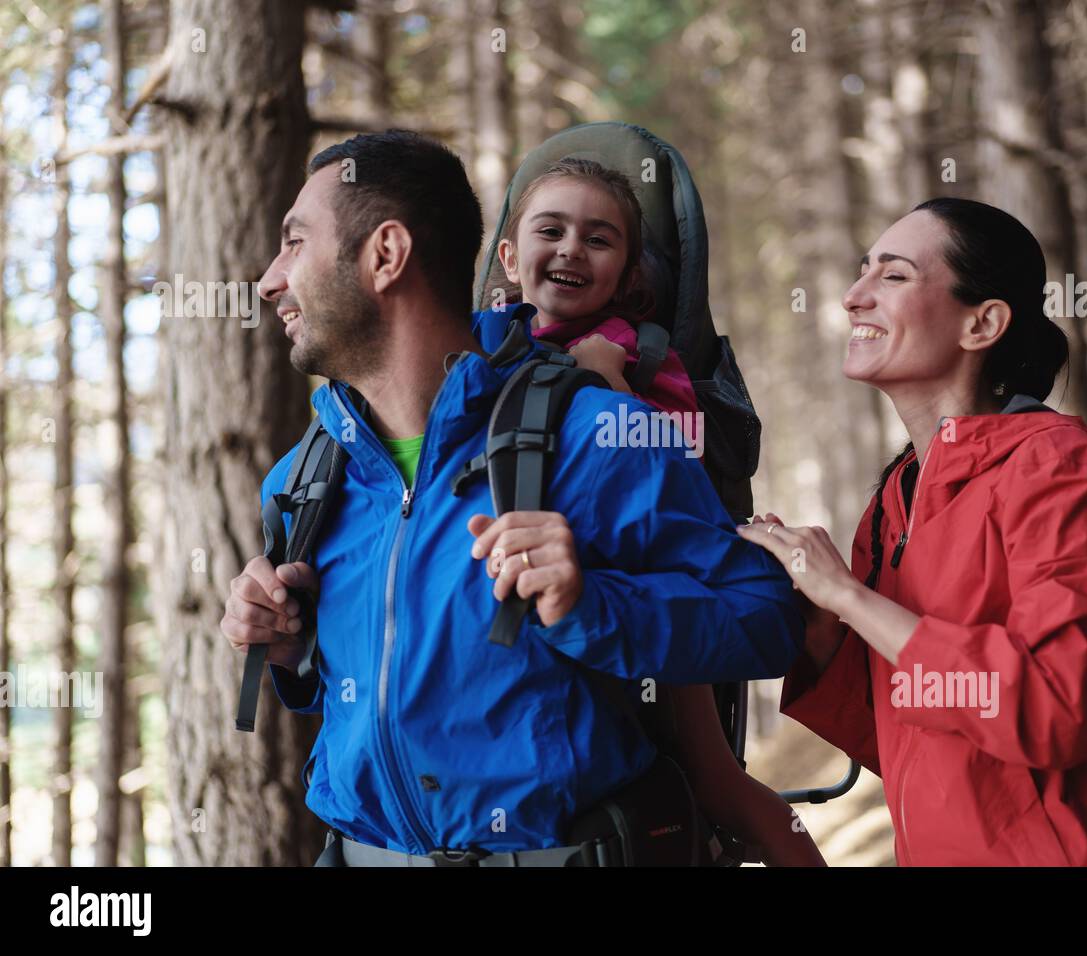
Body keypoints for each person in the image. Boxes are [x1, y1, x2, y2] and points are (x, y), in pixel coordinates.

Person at [219, 130, 803, 864]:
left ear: (385, 255)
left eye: (294, 243)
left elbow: (766, 619)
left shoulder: (598, 433)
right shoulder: (306, 479)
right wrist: (286, 643)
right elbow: (353, 680)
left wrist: (595, 605)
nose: (270, 280)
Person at [738, 197, 1087, 866]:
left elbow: (1055, 710)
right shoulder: (894, 501)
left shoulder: (1058, 470)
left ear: (982, 323)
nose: (853, 296)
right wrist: (822, 636)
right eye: (861, 270)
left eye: (893, 276)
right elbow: (913, 734)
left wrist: (850, 597)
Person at [476, 157, 825, 865]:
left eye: (599, 239)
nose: (572, 248)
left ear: (630, 273)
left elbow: (672, 464)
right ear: (510, 257)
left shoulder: (640, 354)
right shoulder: (485, 353)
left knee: (716, 781)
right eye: (552, 230)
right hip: (544, 608)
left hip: (652, 595)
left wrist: (607, 381)